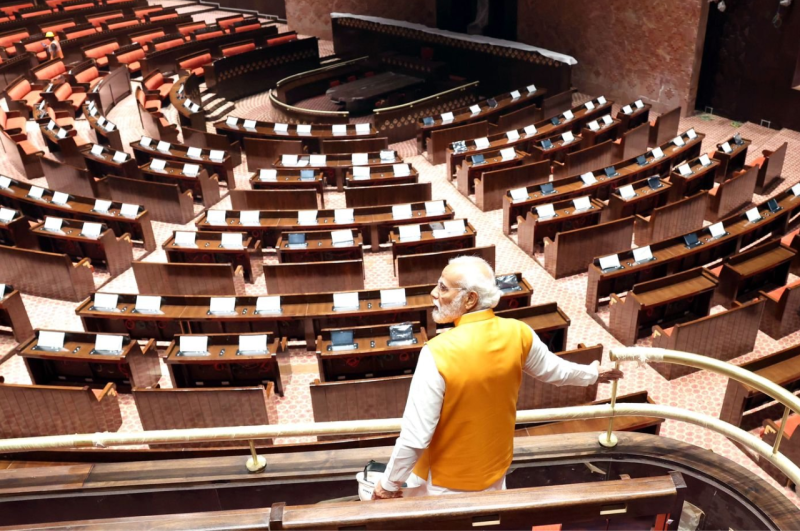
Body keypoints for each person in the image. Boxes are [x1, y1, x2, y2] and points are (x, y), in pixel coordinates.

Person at [372, 256, 623, 499]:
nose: (434, 294)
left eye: (443, 287)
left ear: (470, 299)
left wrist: (389, 482)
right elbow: (555, 370)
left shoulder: (436, 352)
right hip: (497, 469)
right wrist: (592, 374)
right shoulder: (518, 332)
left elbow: (415, 436)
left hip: (447, 481)